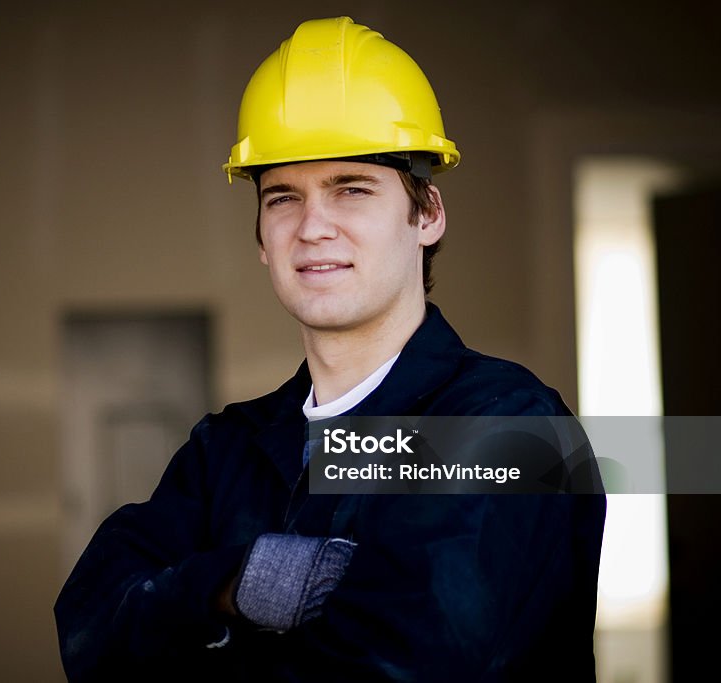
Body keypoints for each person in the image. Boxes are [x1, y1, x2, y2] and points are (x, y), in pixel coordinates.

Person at [54, 16, 606, 682]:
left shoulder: (510, 426)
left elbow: (409, 664)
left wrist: (189, 609)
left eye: (351, 187)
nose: (313, 227)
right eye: (284, 196)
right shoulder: (225, 450)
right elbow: (89, 626)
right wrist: (235, 581)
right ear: (261, 238)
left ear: (427, 213)